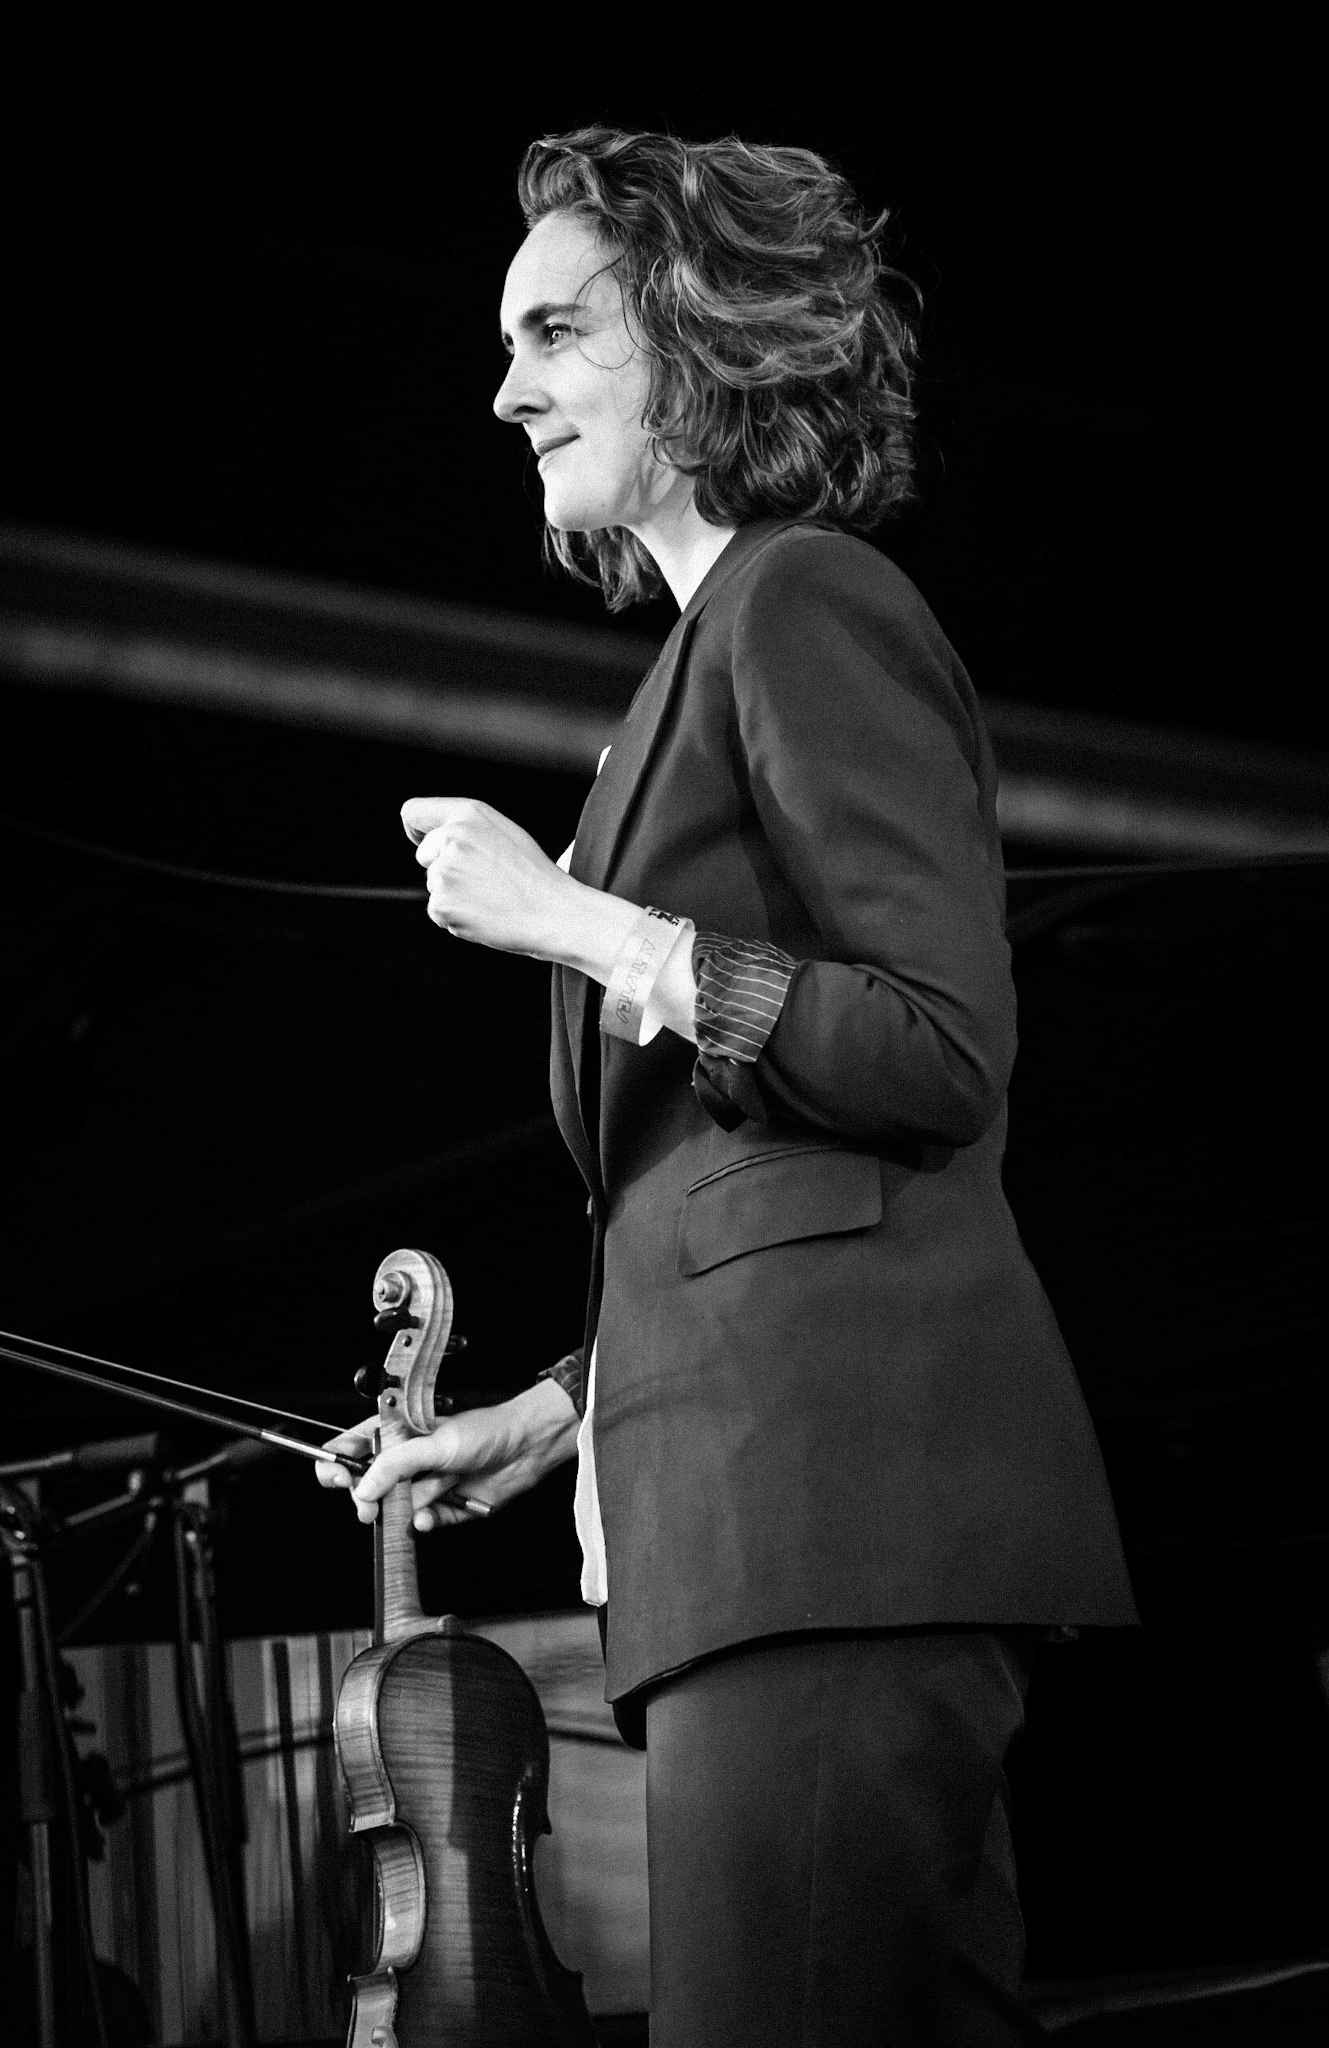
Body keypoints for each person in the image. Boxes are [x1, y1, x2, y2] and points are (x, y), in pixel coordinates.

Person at [317, 126, 1137, 2047]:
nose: (505, 389)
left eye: (553, 329)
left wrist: (578, 922)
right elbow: (744, 1194)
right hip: (747, 1545)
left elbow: (933, 1052)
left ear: (690, 339)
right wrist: (552, 1415)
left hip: (833, 1541)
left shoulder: (801, 601)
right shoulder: (687, 669)